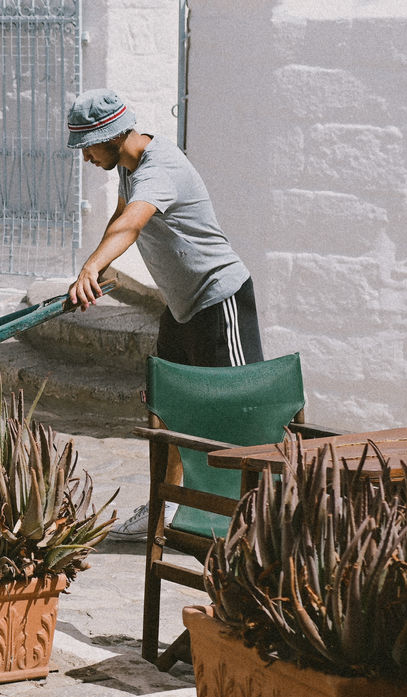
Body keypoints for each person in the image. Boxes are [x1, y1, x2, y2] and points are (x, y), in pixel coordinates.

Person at [64, 88, 263, 540]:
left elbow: (133, 223)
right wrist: (97, 268)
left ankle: (254, 520)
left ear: (110, 136)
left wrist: (91, 267)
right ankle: (166, 506)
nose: (86, 158)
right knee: (166, 407)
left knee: (240, 413)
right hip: (182, 304)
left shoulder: (160, 167)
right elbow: (121, 216)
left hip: (221, 298)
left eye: (88, 148)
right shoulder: (129, 167)